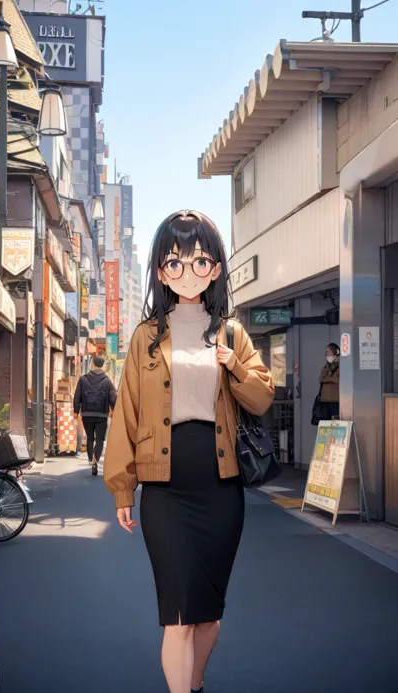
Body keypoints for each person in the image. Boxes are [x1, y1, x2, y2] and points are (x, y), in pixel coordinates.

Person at [103, 210, 275, 693]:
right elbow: (127, 416)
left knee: (207, 615)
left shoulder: (232, 334)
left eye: (199, 261)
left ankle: (194, 686)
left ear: (216, 267)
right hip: (165, 486)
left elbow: (262, 397)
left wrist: (233, 367)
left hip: (221, 486)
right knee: (176, 616)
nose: (187, 271)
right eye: (174, 263)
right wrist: (122, 487)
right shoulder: (145, 337)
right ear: (160, 271)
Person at [73, 355, 117, 476]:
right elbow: (113, 398)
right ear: (103, 365)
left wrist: (76, 411)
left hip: (87, 413)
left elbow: (77, 396)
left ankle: (90, 457)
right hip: (102, 414)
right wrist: (114, 410)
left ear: (93, 364)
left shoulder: (83, 379)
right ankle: (95, 461)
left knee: (90, 438)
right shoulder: (107, 381)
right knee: (100, 439)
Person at [319, 342, 340, 420]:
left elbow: (340, 380)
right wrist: (332, 379)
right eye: (326, 352)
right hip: (325, 399)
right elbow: (321, 378)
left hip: (336, 400)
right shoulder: (326, 365)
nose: (327, 354)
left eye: (328, 352)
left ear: (336, 352)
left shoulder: (342, 364)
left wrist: (328, 379)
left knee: (335, 421)